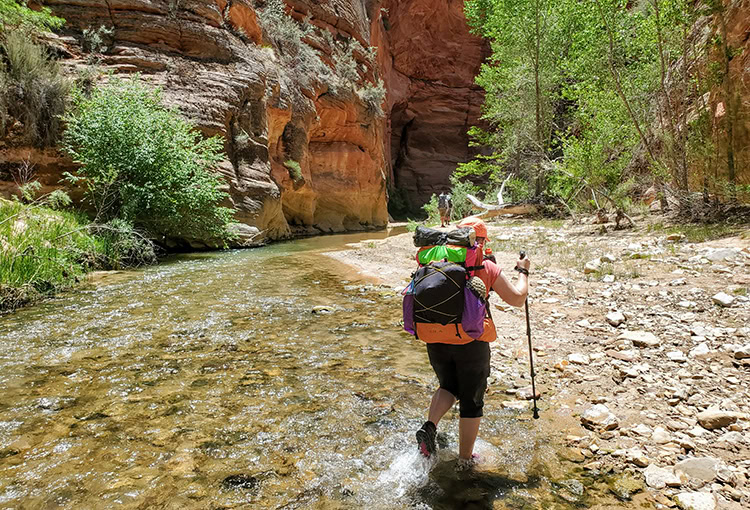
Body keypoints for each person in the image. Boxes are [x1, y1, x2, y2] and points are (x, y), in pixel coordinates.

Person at [415, 217, 530, 464]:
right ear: (481, 241)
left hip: (436, 337)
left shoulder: (435, 262)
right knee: (471, 400)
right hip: (472, 342)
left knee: (448, 385)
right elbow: (518, 298)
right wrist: (523, 271)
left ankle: (430, 426)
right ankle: (465, 460)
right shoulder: (485, 267)